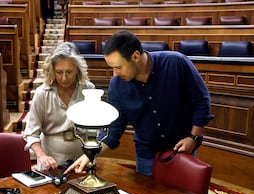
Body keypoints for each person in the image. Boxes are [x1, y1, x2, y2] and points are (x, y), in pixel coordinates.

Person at [66, 30, 214, 176]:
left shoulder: (176, 62)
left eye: (118, 67)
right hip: (145, 154)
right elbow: (114, 128)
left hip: (182, 147)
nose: (115, 74)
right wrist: (90, 155)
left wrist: (193, 137)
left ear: (135, 56)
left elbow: (201, 100)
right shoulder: (117, 85)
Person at [22, 41, 95, 171]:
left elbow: (95, 129)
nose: (64, 78)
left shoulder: (88, 90)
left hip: (82, 157)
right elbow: (31, 134)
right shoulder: (42, 94)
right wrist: (42, 156)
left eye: (69, 72)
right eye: (59, 72)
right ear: (52, 71)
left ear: (78, 70)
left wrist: (90, 154)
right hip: (51, 159)